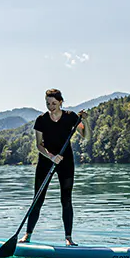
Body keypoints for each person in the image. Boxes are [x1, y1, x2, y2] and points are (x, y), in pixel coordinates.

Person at [21, 88, 86, 246]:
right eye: (48, 103)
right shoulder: (41, 120)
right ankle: (27, 235)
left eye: (54, 103)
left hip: (66, 161)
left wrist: (85, 121)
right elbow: (39, 145)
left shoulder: (71, 117)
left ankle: (68, 238)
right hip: (46, 161)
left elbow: (85, 135)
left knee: (66, 200)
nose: (51, 107)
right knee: (38, 199)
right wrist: (51, 156)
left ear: (61, 102)